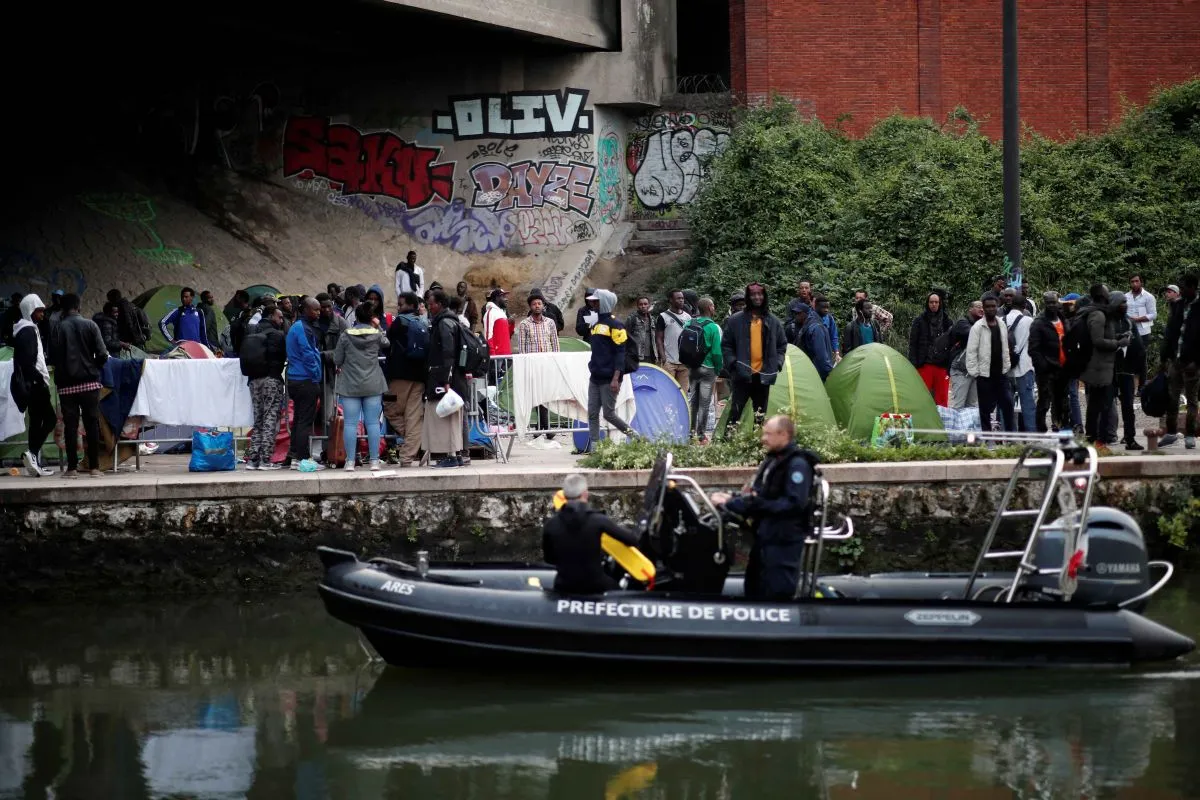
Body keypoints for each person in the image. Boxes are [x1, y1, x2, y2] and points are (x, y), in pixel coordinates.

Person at [711, 415, 815, 600]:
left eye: (768, 434)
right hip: (766, 535)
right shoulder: (774, 460)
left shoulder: (797, 465)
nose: (763, 439)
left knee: (776, 590)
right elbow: (757, 493)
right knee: (753, 585)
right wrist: (731, 499)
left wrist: (756, 504)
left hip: (783, 538)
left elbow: (793, 504)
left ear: (783, 435)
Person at [542, 473, 640, 594]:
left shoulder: (551, 525)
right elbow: (632, 540)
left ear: (564, 494)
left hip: (563, 585)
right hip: (595, 585)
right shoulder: (598, 520)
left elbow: (550, 559)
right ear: (585, 494)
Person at [50, 293, 108, 477]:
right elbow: (102, 354)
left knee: (70, 425)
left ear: (63, 308)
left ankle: (72, 468)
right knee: (92, 423)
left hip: (66, 384)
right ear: (79, 306)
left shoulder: (58, 328)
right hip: (90, 382)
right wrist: (93, 368)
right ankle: (94, 467)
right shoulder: (91, 325)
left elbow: (52, 356)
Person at [722, 282, 787, 437]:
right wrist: (733, 363)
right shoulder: (735, 320)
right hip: (742, 374)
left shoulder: (773, 321)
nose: (757, 297)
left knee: (760, 415)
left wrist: (777, 363)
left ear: (764, 297)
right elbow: (726, 345)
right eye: (753, 295)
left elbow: (782, 345)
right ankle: (726, 445)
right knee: (735, 413)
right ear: (748, 297)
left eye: (760, 294)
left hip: (763, 376)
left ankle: (756, 446)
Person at [335, 302, 388, 471]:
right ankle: (374, 461)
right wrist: (379, 327)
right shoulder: (376, 335)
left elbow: (337, 359)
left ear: (356, 317)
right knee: (372, 423)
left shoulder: (345, 335)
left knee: (350, 423)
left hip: (350, 384)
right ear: (371, 317)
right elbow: (386, 343)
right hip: (373, 383)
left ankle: (350, 461)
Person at [585, 289, 637, 452]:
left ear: (604, 303)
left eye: (595, 301)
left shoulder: (616, 325)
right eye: (592, 301)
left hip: (610, 378)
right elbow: (582, 329)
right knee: (592, 413)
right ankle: (595, 448)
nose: (592, 303)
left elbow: (620, 353)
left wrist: (616, 378)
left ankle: (636, 437)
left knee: (608, 414)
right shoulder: (594, 322)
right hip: (595, 376)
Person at [424, 289, 470, 468]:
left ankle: (451, 456)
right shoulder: (452, 321)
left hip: (448, 379)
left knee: (449, 418)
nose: (430, 306)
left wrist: (446, 380)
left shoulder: (444, 324)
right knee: (454, 417)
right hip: (453, 377)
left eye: (432, 303)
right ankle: (455, 454)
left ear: (440, 304)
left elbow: (447, 352)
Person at [11, 294, 55, 477]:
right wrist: (38, 378)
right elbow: (29, 361)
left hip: (31, 384)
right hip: (35, 385)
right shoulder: (28, 330)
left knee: (36, 422)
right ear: (30, 311)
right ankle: (32, 452)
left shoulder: (25, 329)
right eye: (39, 311)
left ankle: (34, 461)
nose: (42, 314)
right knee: (50, 419)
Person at [383, 292, 429, 466]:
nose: (398, 307)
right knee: (413, 417)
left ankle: (412, 446)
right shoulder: (424, 322)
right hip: (419, 377)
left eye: (401, 304)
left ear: (410, 305)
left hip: (399, 376)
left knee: (388, 407)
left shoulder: (399, 322)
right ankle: (408, 456)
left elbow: (386, 345)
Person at [1080, 285, 1127, 446]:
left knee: (1097, 403)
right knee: (1102, 404)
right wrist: (1118, 342)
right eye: (1107, 292)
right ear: (1102, 296)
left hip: (1101, 366)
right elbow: (1098, 341)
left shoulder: (1098, 313)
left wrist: (1118, 336)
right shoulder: (1098, 315)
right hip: (1098, 368)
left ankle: (1094, 438)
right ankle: (1097, 439)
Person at [241, 307, 287, 470]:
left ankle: (253, 459)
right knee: (270, 418)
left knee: (258, 419)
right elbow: (283, 357)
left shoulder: (251, 334)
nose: (281, 321)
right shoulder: (277, 335)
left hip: (253, 381)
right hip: (272, 380)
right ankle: (265, 459)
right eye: (280, 317)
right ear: (271, 317)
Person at [1160, 273, 1199, 449]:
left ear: (1193, 287)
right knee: (1172, 397)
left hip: (1192, 362)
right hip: (1175, 359)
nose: (1181, 291)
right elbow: (1170, 332)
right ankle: (1170, 432)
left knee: (1191, 400)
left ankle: (1190, 434)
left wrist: (1197, 361)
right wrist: (1165, 357)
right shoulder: (1177, 306)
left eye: (1184, 287)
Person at [284, 297, 324, 469]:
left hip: (296, 378)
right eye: (315, 310)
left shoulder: (297, 327)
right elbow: (308, 354)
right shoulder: (302, 329)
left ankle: (294, 456)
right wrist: (316, 375)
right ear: (306, 310)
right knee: (304, 422)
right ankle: (303, 459)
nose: (318, 313)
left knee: (299, 419)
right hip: (305, 379)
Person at [966, 295, 1015, 432]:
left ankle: (1010, 438)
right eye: (988, 306)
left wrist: (1007, 366)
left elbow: (1006, 347)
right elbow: (971, 352)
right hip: (984, 376)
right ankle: (987, 440)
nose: (991, 309)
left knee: (1008, 405)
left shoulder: (1001, 324)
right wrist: (975, 373)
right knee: (985, 410)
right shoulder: (977, 327)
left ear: (997, 306)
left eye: (993, 306)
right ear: (984, 308)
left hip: (1001, 375)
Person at [518, 290, 562, 441]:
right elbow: (522, 347)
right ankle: (543, 427)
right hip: (533, 365)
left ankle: (544, 426)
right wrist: (524, 364)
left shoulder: (550, 323)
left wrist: (556, 361)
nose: (537, 306)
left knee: (547, 395)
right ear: (530, 307)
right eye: (534, 304)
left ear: (543, 306)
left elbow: (555, 343)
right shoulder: (524, 324)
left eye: (539, 303)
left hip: (548, 364)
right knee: (536, 395)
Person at [1109, 292, 1145, 450]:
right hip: (1109, 370)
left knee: (1128, 406)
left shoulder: (1129, 322)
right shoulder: (1106, 322)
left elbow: (1140, 349)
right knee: (1106, 405)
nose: (1125, 305)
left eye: (1125, 302)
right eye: (1121, 302)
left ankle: (1129, 438)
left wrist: (1138, 372)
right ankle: (1104, 437)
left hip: (1126, 370)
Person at [1029, 292, 1069, 432]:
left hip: (1062, 368)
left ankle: (1061, 428)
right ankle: (1040, 430)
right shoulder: (1039, 323)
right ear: (1044, 304)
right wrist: (1043, 366)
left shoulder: (1063, 319)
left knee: (1063, 402)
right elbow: (1033, 349)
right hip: (1046, 370)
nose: (1052, 305)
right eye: (1048, 303)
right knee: (1044, 401)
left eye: (1054, 302)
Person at [688, 297, 724, 442]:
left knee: (693, 401)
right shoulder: (713, 327)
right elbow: (716, 352)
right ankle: (701, 435)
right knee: (704, 402)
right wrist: (718, 368)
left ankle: (690, 433)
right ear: (710, 308)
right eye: (713, 306)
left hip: (692, 368)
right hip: (708, 368)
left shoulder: (689, 323)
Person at [908, 291, 952, 406]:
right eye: (931, 302)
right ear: (927, 303)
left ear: (940, 303)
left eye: (936, 302)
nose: (934, 304)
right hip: (924, 364)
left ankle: (941, 422)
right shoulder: (919, 321)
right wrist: (913, 364)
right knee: (922, 397)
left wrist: (950, 363)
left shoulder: (947, 321)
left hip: (942, 365)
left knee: (942, 399)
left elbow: (952, 343)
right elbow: (913, 344)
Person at [1003, 296, 1036, 431]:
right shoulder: (1029, 321)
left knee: (1006, 405)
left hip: (1006, 368)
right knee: (1027, 405)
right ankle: (1030, 436)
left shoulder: (1001, 320)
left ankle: (1008, 437)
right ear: (1025, 307)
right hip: (1024, 367)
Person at [785, 299, 833, 381]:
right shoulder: (813, 326)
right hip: (816, 373)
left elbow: (821, 354)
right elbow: (820, 355)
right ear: (815, 307)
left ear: (805, 314)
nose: (826, 310)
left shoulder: (814, 326)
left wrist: (827, 370)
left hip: (815, 372)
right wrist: (828, 371)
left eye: (798, 313)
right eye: (795, 313)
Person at [655, 289, 692, 394]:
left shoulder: (688, 317)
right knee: (668, 392)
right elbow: (659, 338)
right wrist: (663, 358)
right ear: (671, 300)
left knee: (683, 394)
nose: (681, 300)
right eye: (678, 298)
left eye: (682, 298)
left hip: (684, 363)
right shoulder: (663, 316)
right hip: (669, 362)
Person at [949, 300, 983, 410]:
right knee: (959, 406)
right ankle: (956, 427)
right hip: (961, 370)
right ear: (970, 309)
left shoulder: (982, 324)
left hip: (975, 372)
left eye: (983, 307)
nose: (981, 309)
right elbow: (973, 335)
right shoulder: (962, 323)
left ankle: (969, 428)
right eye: (978, 306)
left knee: (972, 407)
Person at [1127, 274, 1157, 352]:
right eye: (1132, 282)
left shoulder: (1148, 297)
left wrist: (1137, 319)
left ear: (1141, 282)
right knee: (1129, 355)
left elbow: (1153, 315)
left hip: (1143, 332)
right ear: (1130, 283)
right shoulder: (1126, 296)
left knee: (1141, 355)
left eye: (1137, 281)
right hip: (1128, 331)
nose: (1134, 284)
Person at [482, 288, 513, 361]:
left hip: (506, 354)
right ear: (497, 298)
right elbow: (488, 335)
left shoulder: (502, 313)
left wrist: (512, 324)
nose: (506, 299)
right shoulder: (490, 313)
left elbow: (507, 335)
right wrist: (492, 355)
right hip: (497, 356)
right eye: (504, 297)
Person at [625, 295, 655, 363]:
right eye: (641, 304)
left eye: (645, 304)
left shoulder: (652, 319)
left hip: (651, 356)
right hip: (636, 355)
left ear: (649, 305)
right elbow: (625, 336)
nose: (643, 306)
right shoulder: (632, 319)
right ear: (637, 306)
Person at [814, 296, 840, 363]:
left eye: (827, 307)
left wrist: (836, 352)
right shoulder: (810, 319)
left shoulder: (830, 319)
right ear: (816, 306)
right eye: (823, 307)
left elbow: (834, 336)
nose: (826, 310)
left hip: (827, 353)